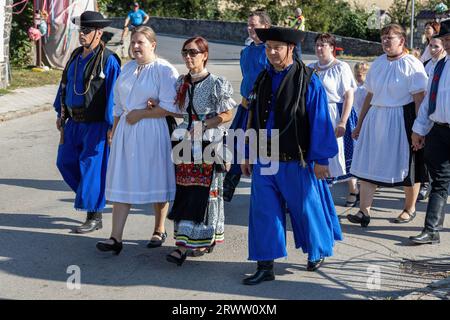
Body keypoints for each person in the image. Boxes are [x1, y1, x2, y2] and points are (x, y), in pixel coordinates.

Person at [241, 26, 342, 285]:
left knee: (306, 209)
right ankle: (265, 265)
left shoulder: (309, 80)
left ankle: (316, 250)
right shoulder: (262, 78)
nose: (272, 52)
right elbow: (251, 116)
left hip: (296, 157)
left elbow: (319, 120)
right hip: (265, 156)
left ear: (291, 49)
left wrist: (320, 160)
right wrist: (247, 153)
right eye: (268, 47)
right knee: (264, 212)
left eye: (277, 48)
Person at [96, 26, 179, 255]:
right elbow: (118, 103)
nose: (134, 47)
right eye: (133, 42)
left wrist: (142, 113)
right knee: (123, 178)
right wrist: (114, 128)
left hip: (152, 130)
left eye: (140, 42)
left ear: (153, 45)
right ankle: (116, 237)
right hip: (126, 130)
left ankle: (159, 228)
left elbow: (173, 108)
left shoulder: (164, 70)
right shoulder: (128, 68)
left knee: (155, 177)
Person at [348, 24, 428, 227]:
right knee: (369, 162)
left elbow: (419, 98)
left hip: (402, 117)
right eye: (383, 38)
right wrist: (360, 123)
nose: (385, 41)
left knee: (407, 165)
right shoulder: (378, 63)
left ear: (401, 41)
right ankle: (363, 211)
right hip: (376, 118)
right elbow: (370, 95)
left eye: (389, 38)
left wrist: (419, 128)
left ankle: (409, 208)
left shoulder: (412, 64)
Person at [165, 36, 236, 266]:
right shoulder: (180, 82)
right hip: (184, 140)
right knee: (185, 189)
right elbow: (179, 111)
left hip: (208, 140)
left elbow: (227, 114)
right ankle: (183, 244)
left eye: (193, 52)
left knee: (206, 191)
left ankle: (205, 238)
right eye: (185, 52)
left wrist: (204, 126)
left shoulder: (217, 83)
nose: (188, 56)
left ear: (205, 55)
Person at [54, 11, 121, 234]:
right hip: (73, 123)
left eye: (86, 31)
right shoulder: (74, 56)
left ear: (98, 33)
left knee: (91, 168)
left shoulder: (108, 60)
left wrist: (112, 125)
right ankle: (89, 196)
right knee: (65, 162)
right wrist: (60, 113)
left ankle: (94, 214)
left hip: (96, 125)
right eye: (80, 30)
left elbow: (114, 94)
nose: (81, 34)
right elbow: (64, 85)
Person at [223, 10, 271, 202]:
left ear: (266, 27)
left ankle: (271, 192)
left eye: (254, 25)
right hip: (245, 106)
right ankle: (230, 181)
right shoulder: (247, 51)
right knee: (235, 144)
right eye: (248, 25)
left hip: (265, 110)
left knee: (265, 149)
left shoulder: (272, 50)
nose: (250, 28)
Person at [409, 19, 450, 245]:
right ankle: (431, 230)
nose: (447, 43)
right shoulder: (439, 65)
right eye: (445, 40)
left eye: (449, 40)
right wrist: (419, 129)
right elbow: (428, 100)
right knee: (440, 181)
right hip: (440, 131)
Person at [309, 33, 358, 207]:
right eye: (317, 45)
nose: (319, 48)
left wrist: (343, 121)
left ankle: (353, 190)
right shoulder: (310, 68)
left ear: (331, 47)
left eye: (323, 45)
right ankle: (322, 195)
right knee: (319, 154)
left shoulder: (340, 67)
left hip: (335, 112)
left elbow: (348, 96)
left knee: (340, 155)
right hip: (316, 115)